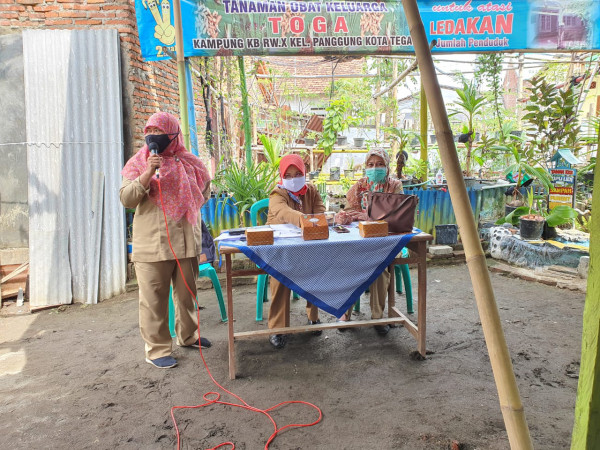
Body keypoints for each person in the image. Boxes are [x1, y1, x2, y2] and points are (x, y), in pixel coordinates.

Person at [120, 112, 212, 369]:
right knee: (153, 300)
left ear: (173, 135)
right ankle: (157, 349)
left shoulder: (190, 162)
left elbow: (205, 189)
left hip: (185, 242)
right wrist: (148, 173)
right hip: (152, 244)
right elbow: (127, 200)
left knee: (187, 295)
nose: (153, 136)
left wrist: (189, 195)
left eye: (160, 131)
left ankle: (188, 336)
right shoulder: (138, 163)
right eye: (150, 130)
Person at [335, 148, 403, 335]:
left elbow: (396, 216)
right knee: (348, 265)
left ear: (387, 166)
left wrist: (364, 216)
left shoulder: (394, 186)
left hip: (387, 242)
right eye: (371, 165)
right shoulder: (359, 187)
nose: (375, 168)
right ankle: (344, 313)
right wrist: (348, 216)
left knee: (379, 269)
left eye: (380, 164)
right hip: (359, 241)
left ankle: (377, 317)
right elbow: (349, 212)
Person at [266, 154, 326, 349]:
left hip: (308, 248)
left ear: (305, 173)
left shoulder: (312, 191)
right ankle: (278, 328)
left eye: (298, 174)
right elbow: (282, 212)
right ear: (282, 176)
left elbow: (320, 213)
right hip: (281, 251)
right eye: (288, 175)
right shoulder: (277, 194)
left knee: (315, 273)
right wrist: (304, 220)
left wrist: (316, 220)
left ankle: (313, 318)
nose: (293, 179)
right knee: (280, 278)